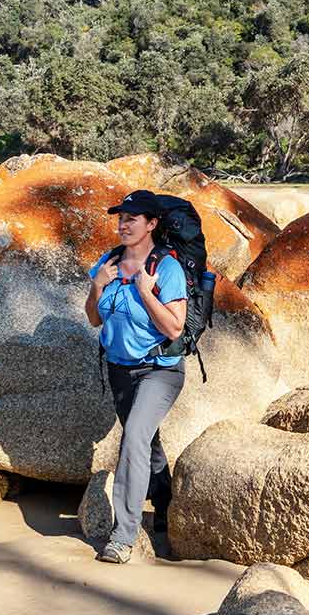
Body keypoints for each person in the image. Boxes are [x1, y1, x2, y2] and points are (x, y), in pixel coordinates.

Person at [84, 189, 189, 564]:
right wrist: (98, 286)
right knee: (147, 443)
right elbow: (94, 318)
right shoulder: (108, 262)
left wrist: (146, 293)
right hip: (120, 371)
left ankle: (123, 537)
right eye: (120, 218)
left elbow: (175, 328)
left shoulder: (167, 268)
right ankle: (164, 504)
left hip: (159, 371)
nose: (123, 224)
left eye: (132, 218)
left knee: (132, 441)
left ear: (152, 224)